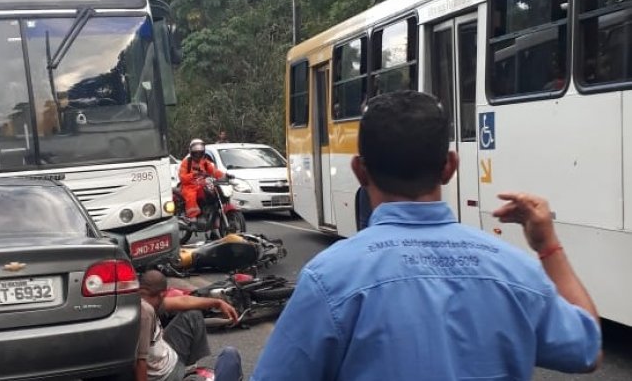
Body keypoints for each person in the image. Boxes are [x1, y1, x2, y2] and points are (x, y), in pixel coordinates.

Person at [252, 90, 601, 381]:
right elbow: (587, 350)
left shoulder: (330, 278)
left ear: (360, 170)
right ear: (449, 167)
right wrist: (547, 246)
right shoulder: (517, 272)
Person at [136, 270, 242, 381]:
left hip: (165, 355)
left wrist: (217, 303)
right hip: (166, 374)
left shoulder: (141, 301)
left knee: (193, 315)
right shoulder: (146, 313)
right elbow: (140, 362)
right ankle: (186, 375)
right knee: (230, 356)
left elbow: (183, 300)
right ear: (162, 294)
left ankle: (189, 370)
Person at [178, 139, 225, 222]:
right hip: (189, 186)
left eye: (200, 152)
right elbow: (182, 178)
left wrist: (225, 176)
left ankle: (211, 213)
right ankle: (192, 216)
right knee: (191, 195)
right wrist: (193, 174)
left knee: (214, 192)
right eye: (196, 153)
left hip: (202, 184)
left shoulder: (205, 163)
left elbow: (214, 171)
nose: (198, 155)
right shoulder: (186, 163)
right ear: (191, 152)